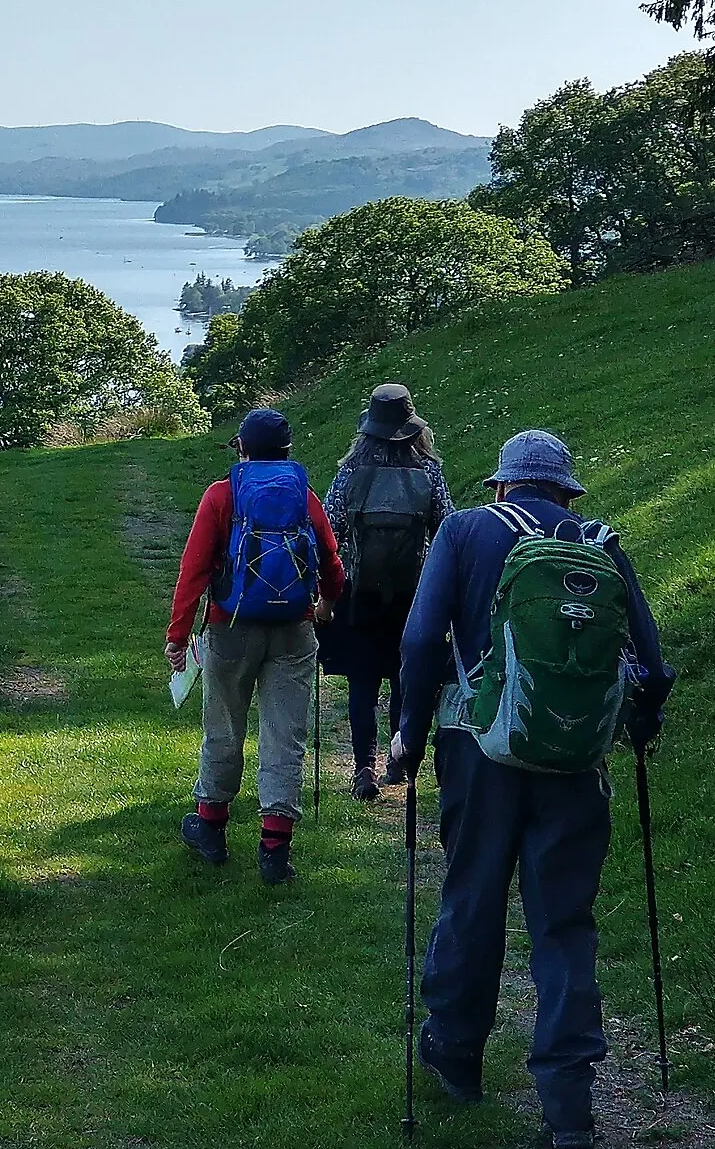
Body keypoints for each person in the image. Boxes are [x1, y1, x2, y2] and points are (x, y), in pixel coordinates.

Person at [389, 429, 675, 1149]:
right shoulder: (598, 542)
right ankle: (569, 1104)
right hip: (576, 761)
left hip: (477, 751)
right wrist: (639, 729)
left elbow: (422, 641)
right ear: (566, 491)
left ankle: (456, 1055)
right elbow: (652, 662)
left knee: (472, 897)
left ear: (501, 487)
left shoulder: (463, 531)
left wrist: (410, 733)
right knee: (564, 925)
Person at [166, 407, 346, 885]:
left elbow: (195, 570)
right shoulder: (303, 497)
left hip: (230, 627)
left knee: (224, 727)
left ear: (242, 449)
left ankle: (210, 827)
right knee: (285, 736)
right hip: (294, 628)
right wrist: (325, 606)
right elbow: (332, 563)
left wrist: (179, 634)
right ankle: (274, 849)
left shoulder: (222, 495)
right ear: (288, 452)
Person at [321, 383, 453, 800]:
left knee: (362, 684)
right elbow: (446, 527)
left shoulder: (351, 471)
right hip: (412, 594)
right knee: (403, 678)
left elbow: (329, 528)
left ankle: (363, 767)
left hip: (359, 595)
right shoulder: (428, 472)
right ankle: (398, 760)